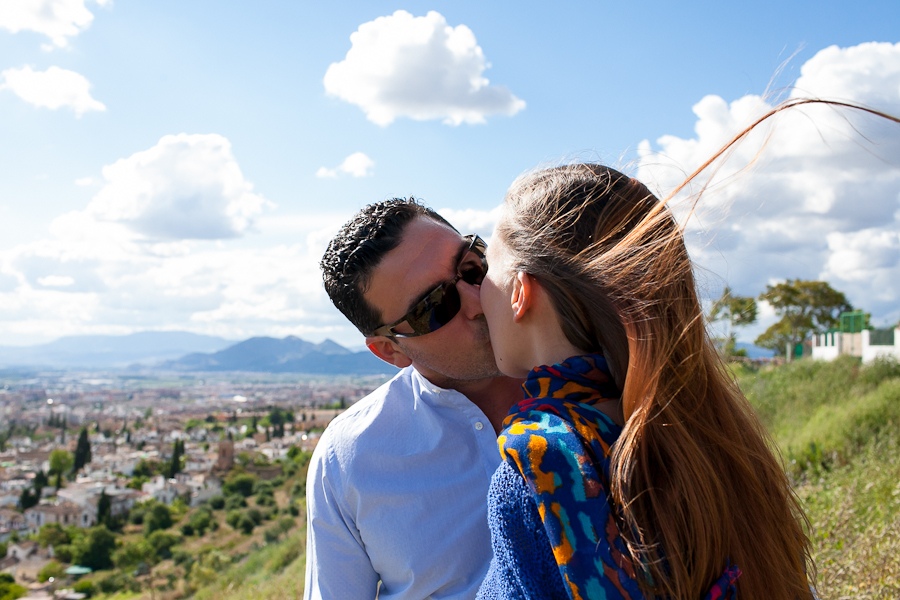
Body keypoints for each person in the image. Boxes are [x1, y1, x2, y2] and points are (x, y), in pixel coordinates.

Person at [475, 162, 816, 599]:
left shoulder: (533, 477)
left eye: (485, 267)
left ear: (522, 292)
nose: (476, 294)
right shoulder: (708, 434)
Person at [306, 198, 523, 599]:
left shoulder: (609, 376)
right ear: (391, 351)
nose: (477, 302)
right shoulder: (351, 458)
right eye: (435, 307)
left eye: (472, 266)